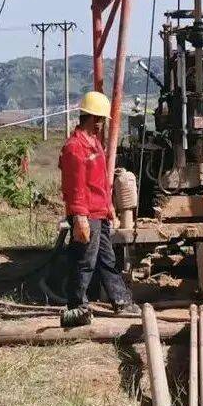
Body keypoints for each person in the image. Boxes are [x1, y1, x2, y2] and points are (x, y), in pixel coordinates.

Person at [59, 90, 139, 328]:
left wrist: (109, 206)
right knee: (85, 261)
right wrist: (80, 217)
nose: (102, 124)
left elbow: (100, 182)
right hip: (87, 215)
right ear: (93, 118)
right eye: (101, 119)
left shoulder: (94, 144)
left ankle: (121, 301)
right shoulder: (75, 147)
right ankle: (77, 307)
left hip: (99, 213)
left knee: (107, 259)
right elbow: (75, 186)